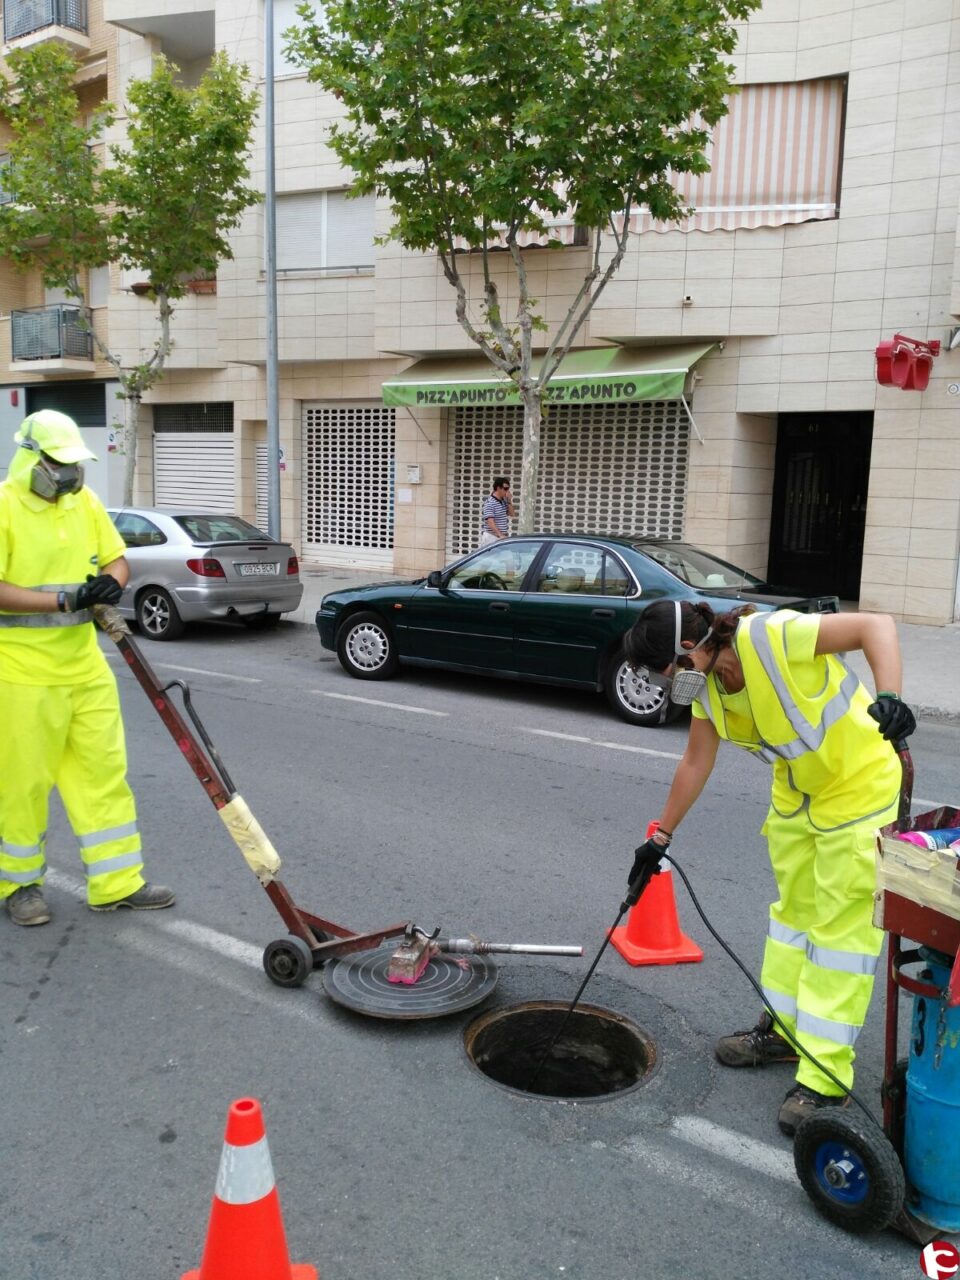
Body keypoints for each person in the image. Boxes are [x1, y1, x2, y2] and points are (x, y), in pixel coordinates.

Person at [623, 598, 916, 1137]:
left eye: (663, 671)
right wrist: (659, 839)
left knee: (839, 937)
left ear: (690, 649)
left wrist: (892, 697)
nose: (666, 684)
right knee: (790, 921)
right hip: (799, 797)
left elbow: (877, 624)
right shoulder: (707, 686)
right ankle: (781, 1031)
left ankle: (826, 1075)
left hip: (859, 791)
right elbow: (695, 761)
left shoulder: (773, 635)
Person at [0, 410, 175, 927]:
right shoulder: (4, 507)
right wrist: (62, 598)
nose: (71, 475)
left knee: (104, 776)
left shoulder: (84, 502)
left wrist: (111, 583)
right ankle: (20, 885)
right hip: (22, 672)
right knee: (23, 784)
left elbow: (115, 557)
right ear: (31, 458)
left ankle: (116, 881)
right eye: (61, 465)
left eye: (76, 465)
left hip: (85, 667)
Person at [479, 476, 514, 546]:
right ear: (498, 488)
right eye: (505, 489)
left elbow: (512, 514)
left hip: (499, 537)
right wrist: (500, 535)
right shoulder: (490, 502)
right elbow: (490, 521)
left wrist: (509, 501)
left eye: (508, 489)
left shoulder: (504, 501)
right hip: (491, 537)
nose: (507, 491)